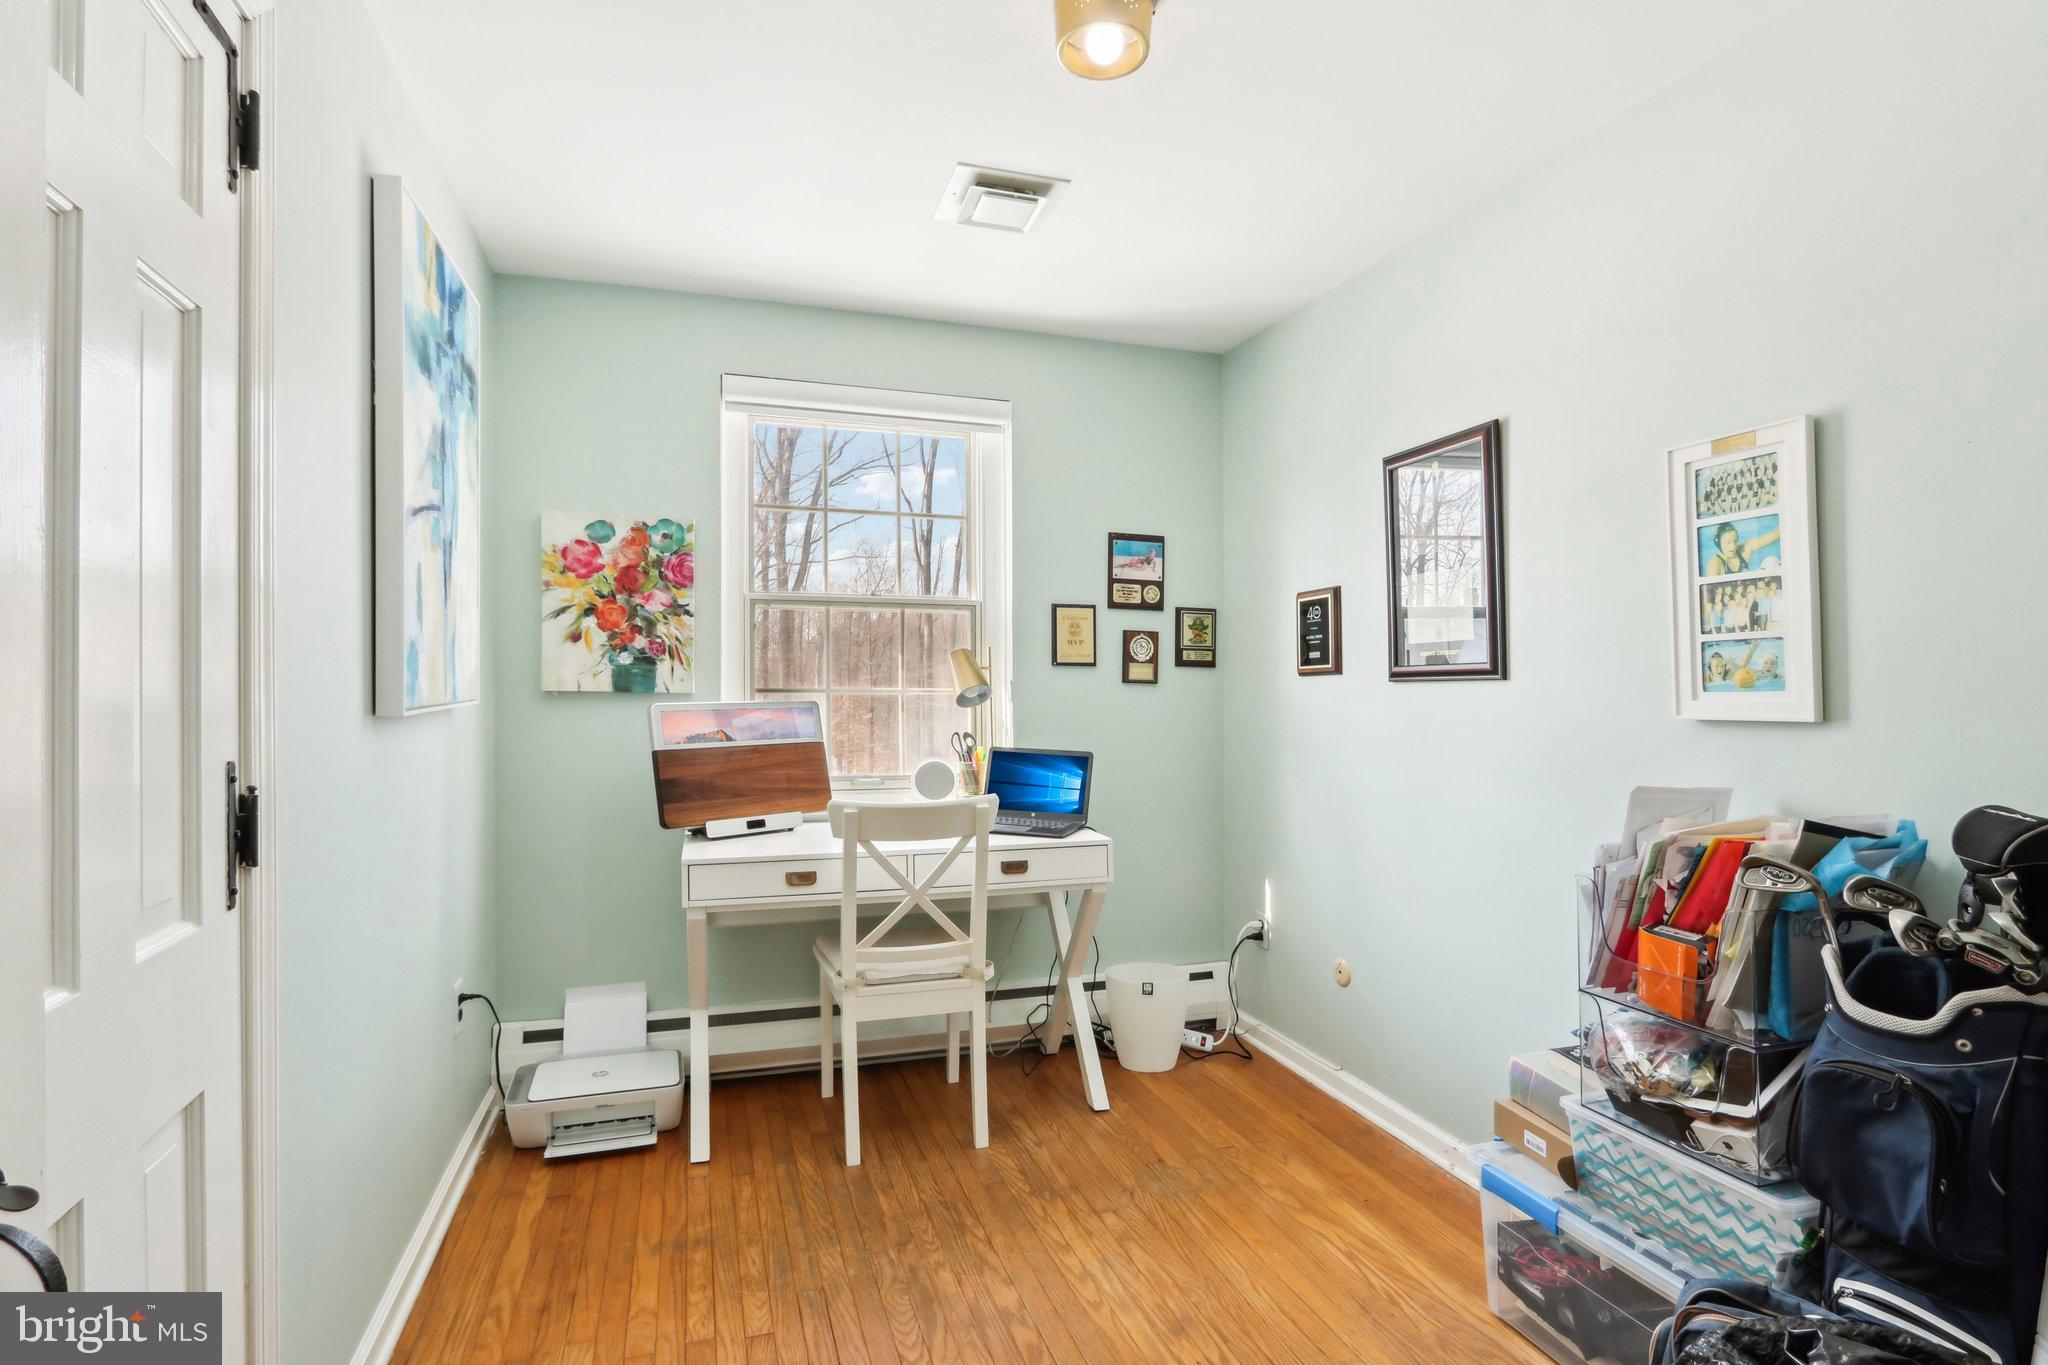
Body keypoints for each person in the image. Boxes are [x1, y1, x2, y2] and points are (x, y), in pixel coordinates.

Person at [1705, 521, 1779, 576]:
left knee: (1771, 561)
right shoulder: (1714, 565)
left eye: (1735, 541)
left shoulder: (1744, 550)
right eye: (1728, 543)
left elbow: (1774, 535)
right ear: (1718, 544)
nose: (1733, 546)